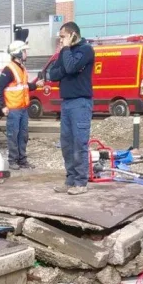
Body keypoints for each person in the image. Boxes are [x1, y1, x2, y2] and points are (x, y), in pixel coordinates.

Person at [45, 22, 95, 195]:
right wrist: (67, 65)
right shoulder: (65, 53)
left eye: (63, 37)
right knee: (67, 144)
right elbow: (52, 74)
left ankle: (81, 182)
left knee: (79, 143)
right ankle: (70, 180)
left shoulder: (86, 50)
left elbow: (71, 67)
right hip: (66, 103)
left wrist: (66, 56)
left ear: (73, 35)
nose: (61, 41)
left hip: (80, 103)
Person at [0, 40, 42, 171]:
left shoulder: (21, 68)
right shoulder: (9, 69)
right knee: (13, 135)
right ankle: (13, 160)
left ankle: (22, 160)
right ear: (18, 53)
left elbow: (24, 86)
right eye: (24, 51)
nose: (26, 53)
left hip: (23, 109)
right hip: (13, 109)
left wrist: (36, 85)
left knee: (23, 135)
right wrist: (3, 106)